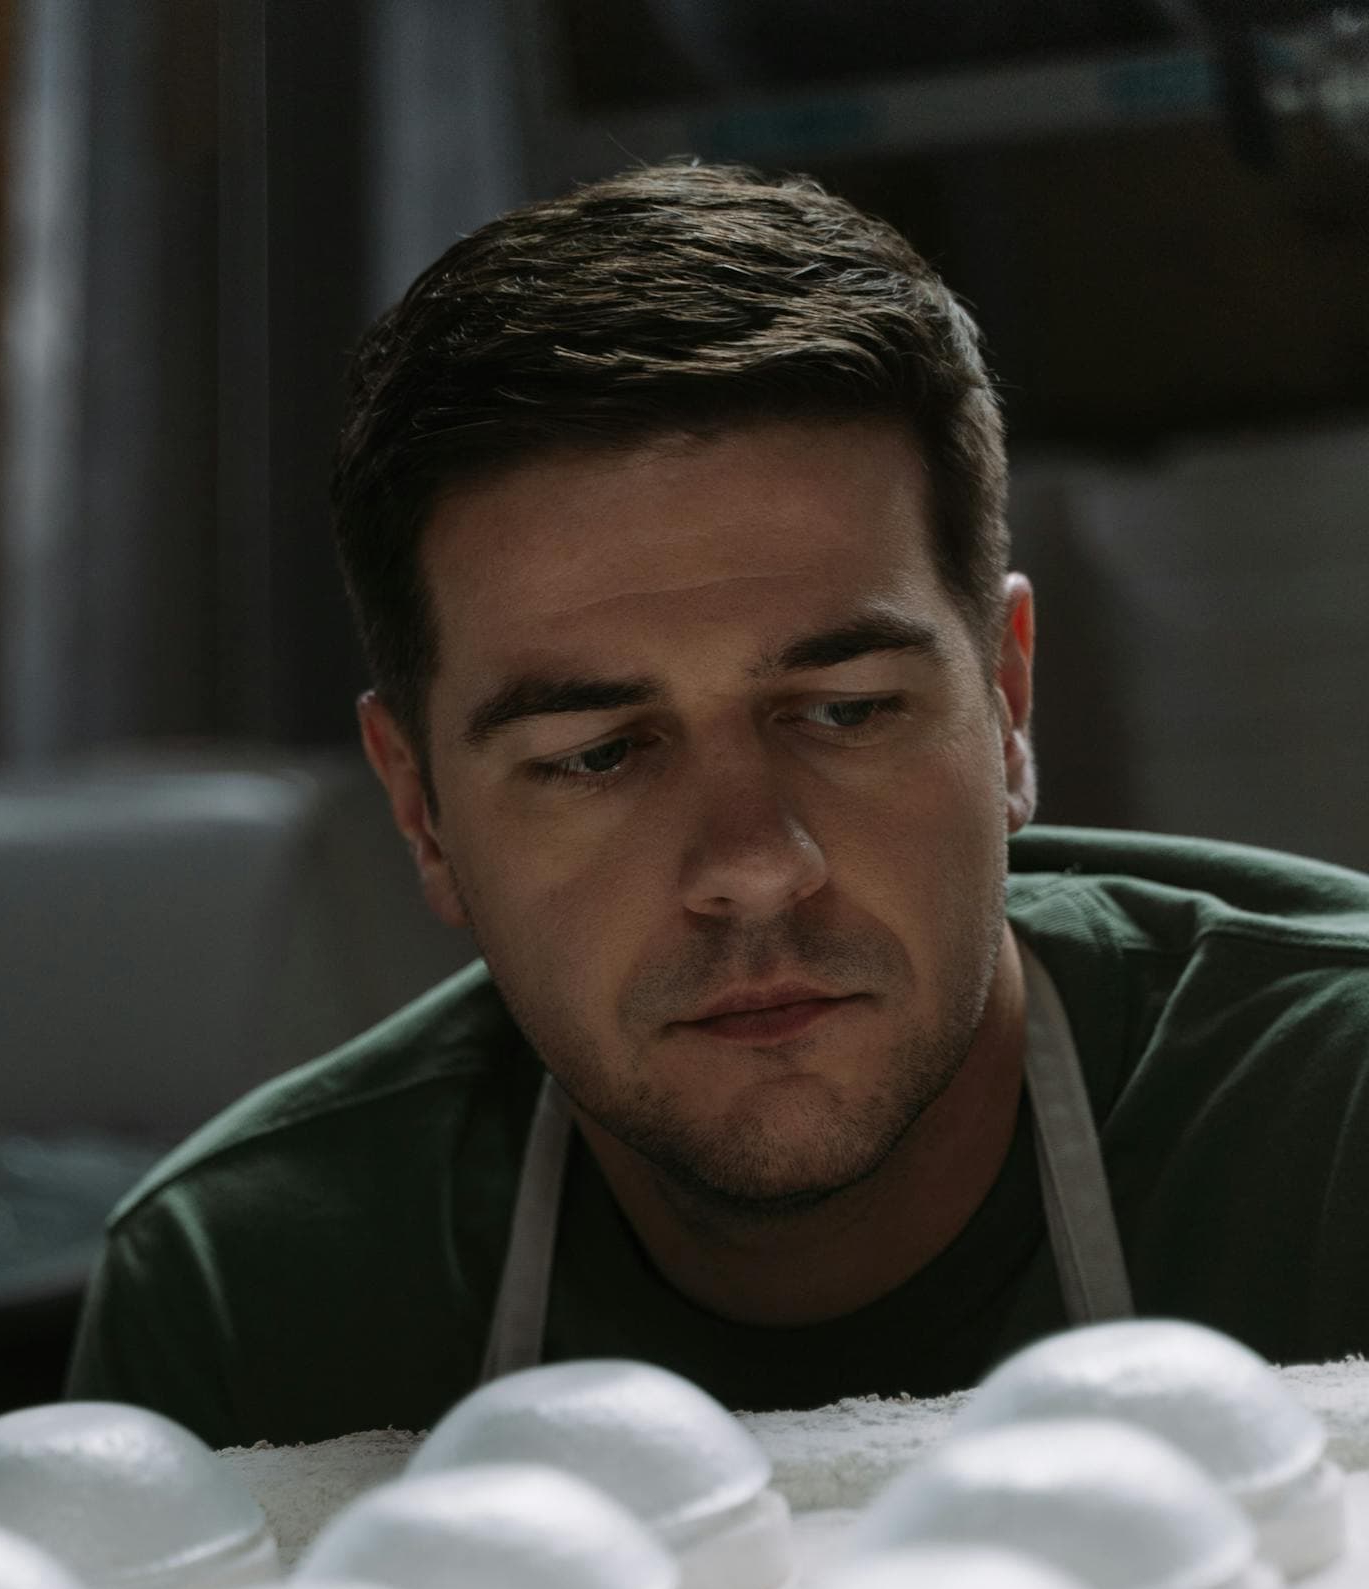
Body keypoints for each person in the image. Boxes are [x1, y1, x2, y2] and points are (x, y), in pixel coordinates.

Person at [71, 160, 1369, 1448]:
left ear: (1008, 700)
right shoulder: (252, 1298)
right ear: (421, 810)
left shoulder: (1336, 1122)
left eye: (848, 711)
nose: (754, 865)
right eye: (594, 755)